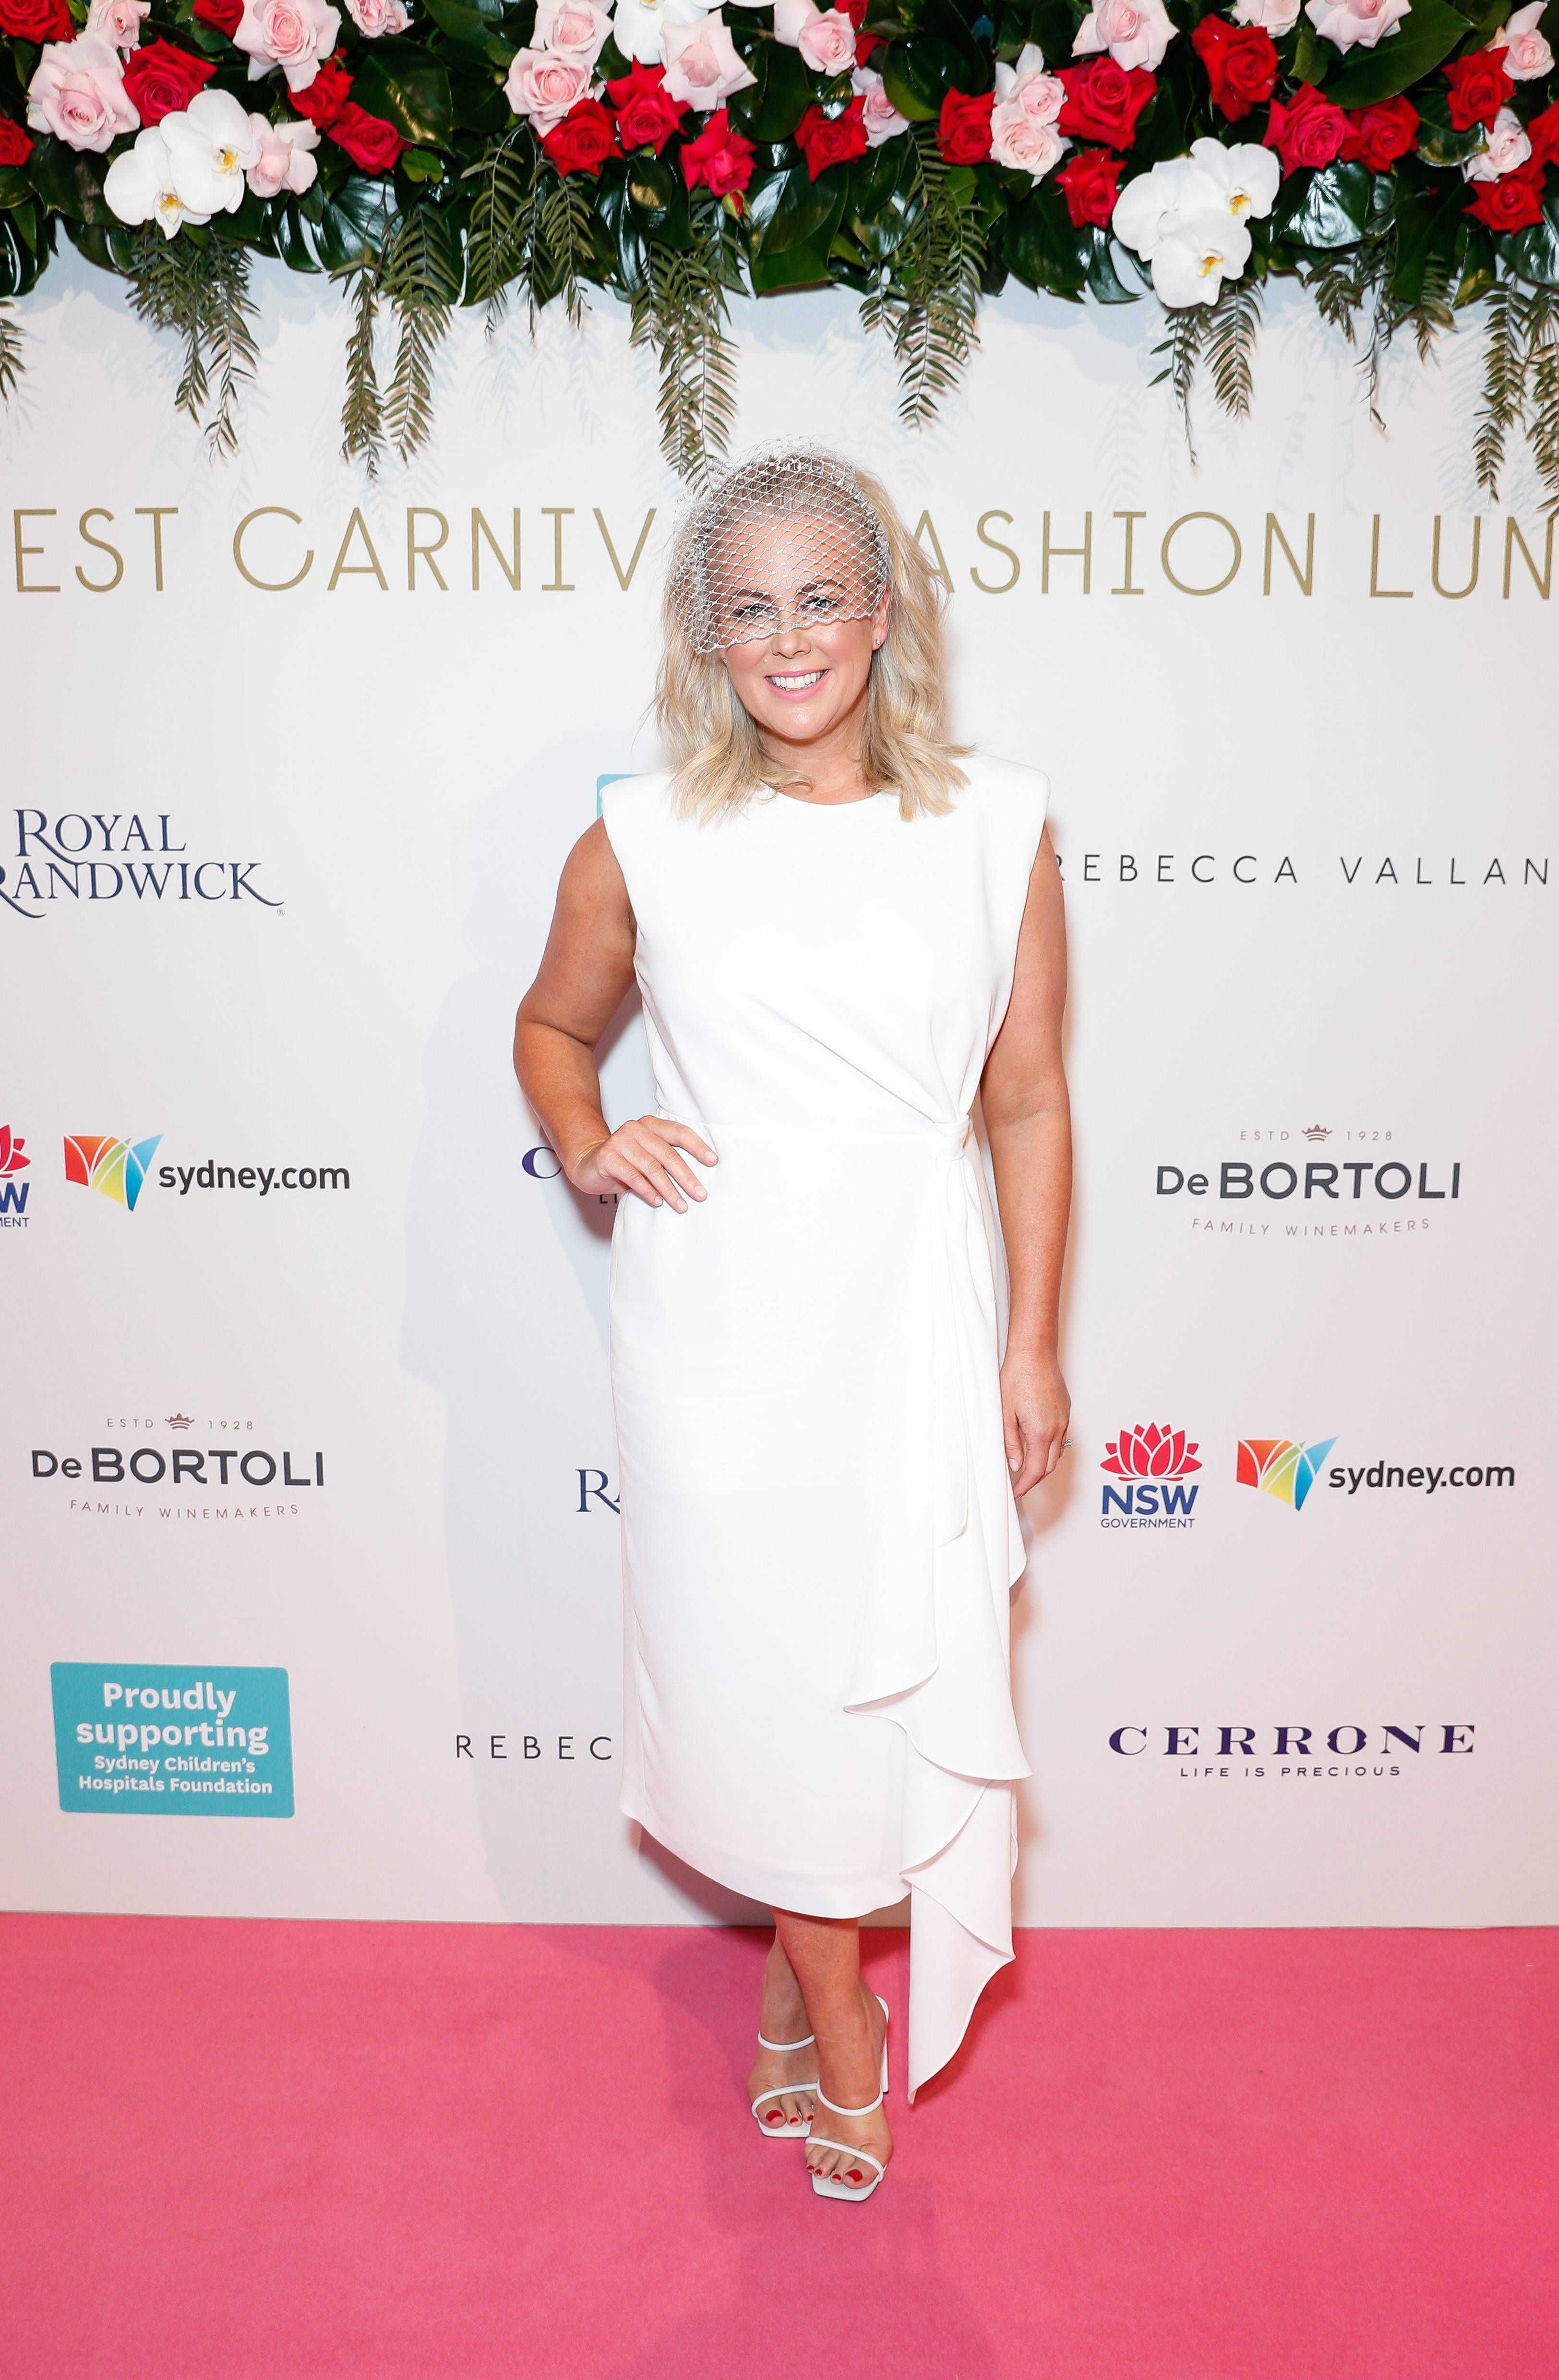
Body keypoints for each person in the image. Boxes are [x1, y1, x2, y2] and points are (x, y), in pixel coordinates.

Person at [513, 446, 1071, 2202]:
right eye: (747, 608)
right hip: (721, 1333)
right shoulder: (641, 835)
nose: (788, 637)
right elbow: (550, 1028)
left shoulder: (996, 825)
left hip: (911, 1309)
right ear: (707, 637)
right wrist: (590, 1141)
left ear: (883, 611)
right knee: (766, 1685)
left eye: (821, 596)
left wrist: (1032, 1343)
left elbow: (1026, 1101)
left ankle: (791, 1989)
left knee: (877, 1691)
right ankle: (843, 2029)